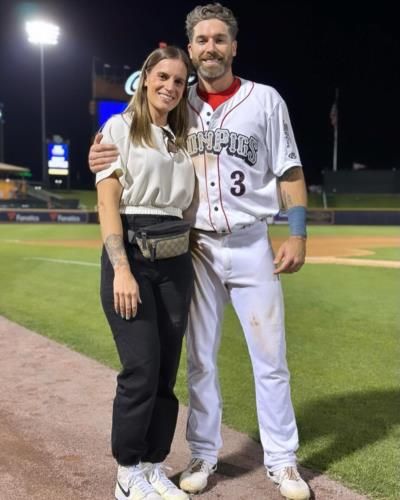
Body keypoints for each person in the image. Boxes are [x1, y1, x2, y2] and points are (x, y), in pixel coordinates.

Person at [89, 4, 310, 499]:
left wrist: (297, 233)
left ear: (233, 46)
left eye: (219, 39)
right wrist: (97, 148)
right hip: (195, 247)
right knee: (199, 361)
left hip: (253, 241)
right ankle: (203, 454)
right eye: (201, 40)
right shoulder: (176, 101)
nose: (210, 47)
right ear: (190, 49)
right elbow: (124, 128)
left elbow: (291, 171)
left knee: (270, 358)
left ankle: (282, 460)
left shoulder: (266, 100)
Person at [95, 46, 195, 500]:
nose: (170, 87)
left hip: (175, 258)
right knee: (141, 366)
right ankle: (127, 469)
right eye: (163, 77)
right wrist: (121, 269)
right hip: (132, 251)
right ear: (145, 77)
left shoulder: (179, 140)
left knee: (165, 371)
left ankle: (154, 463)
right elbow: (108, 202)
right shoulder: (118, 127)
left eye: (179, 81)